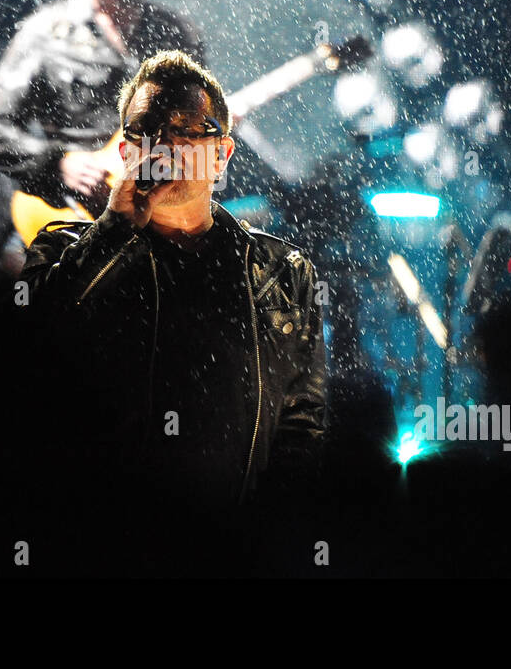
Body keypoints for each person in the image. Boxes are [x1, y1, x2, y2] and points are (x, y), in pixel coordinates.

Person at [17, 51, 327, 516]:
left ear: (221, 155)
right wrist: (113, 229)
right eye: (146, 131)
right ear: (126, 153)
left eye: (186, 128)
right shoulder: (61, 249)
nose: (164, 145)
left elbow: (303, 421)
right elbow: (23, 348)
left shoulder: (283, 272)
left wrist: (268, 532)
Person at [0, 0, 204, 220]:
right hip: (70, 216)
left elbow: (198, 132)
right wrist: (57, 165)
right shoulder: (45, 33)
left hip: (156, 215)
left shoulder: (175, 34)